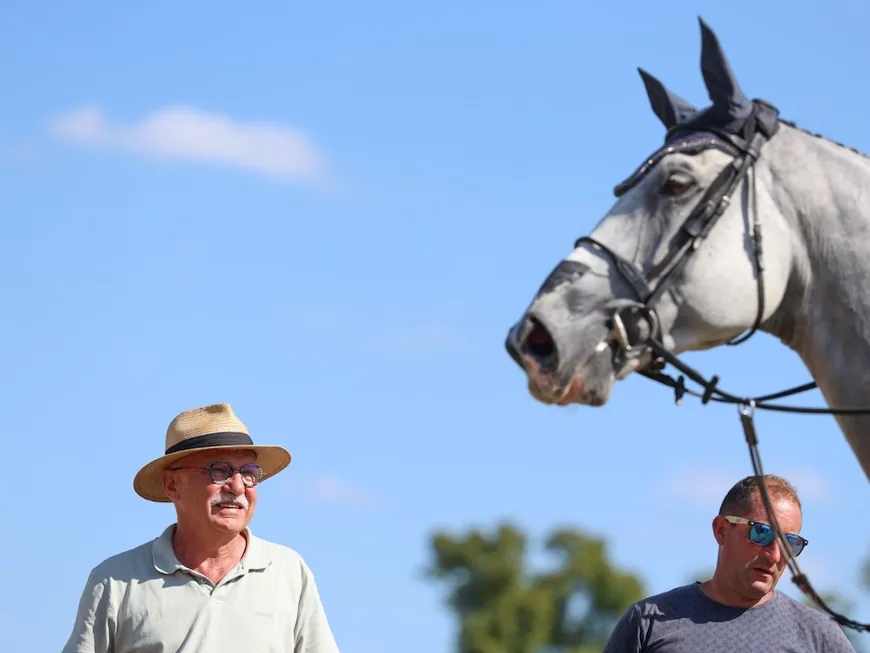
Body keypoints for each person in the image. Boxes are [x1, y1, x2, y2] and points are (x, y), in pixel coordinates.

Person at [62, 402, 340, 652]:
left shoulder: (288, 571)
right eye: (219, 470)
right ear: (172, 485)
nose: (237, 486)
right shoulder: (115, 581)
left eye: (248, 473)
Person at [602, 473, 855, 652]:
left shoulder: (818, 636)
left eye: (790, 543)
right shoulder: (649, 622)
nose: (776, 556)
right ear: (721, 530)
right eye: (761, 534)